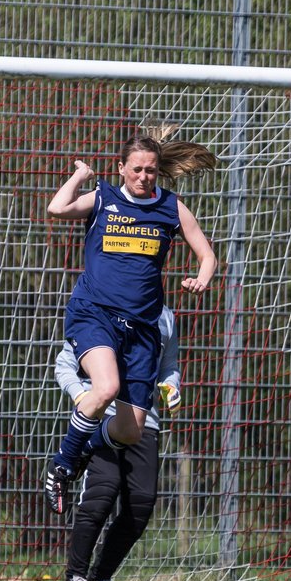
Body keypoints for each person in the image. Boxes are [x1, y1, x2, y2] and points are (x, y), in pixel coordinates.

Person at [43, 129, 218, 514]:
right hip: (94, 314)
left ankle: (85, 445)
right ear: (121, 168)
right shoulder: (104, 197)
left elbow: (207, 255)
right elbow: (56, 209)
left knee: (129, 431)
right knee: (105, 387)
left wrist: (202, 278)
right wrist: (79, 176)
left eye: (151, 171)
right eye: (136, 170)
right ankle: (62, 464)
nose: (144, 177)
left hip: (142, 328)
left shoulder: (171, 207)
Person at [56, 305, 180, 581]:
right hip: (104, 422)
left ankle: (101, 577)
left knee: (141, 504)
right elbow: (64, 365)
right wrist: (84, 400)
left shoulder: (165, 317)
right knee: (101, 494)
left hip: (142, 425)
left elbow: (168, 367)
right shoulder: (100, 307)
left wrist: (172, 386)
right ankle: (75, 577)